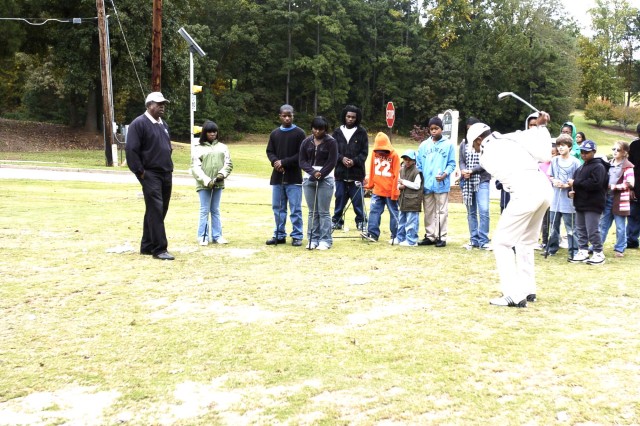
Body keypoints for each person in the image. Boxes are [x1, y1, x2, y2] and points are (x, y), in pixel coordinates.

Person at [466, 112, 552, 307]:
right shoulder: (510, 137)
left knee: (501, 243)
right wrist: (542, 127)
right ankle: (528, 289)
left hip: (525, 192)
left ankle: (514, 294)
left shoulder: (486, 155)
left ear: (480, 139)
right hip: (544, 188)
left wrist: (537, 128)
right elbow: (545, 154)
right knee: (525, 243)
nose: (475, 149)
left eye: (475, 144)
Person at [125, 92, 175, 260]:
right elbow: (131, 150)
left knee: (160, 210)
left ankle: (147, 245)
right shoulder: (138, 124)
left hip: (166, 172)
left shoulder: (163, 124)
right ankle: (159, 249)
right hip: (150, 173)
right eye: (158, 103)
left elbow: (166, 147)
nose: (162, 106)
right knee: (155, 209)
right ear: (149, 105)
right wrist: (140, 172)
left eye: (163, 103)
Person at [265, 104, 306, 247]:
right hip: (277, 177)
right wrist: (275, 162)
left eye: (290, 115)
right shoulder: (275, 133)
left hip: (293, 177)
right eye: (284, 115)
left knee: (295, 209)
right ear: (280, 116)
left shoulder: (300, 133)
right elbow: (270, 151)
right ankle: (279, 234)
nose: (287, 118)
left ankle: (297, 235)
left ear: (293, 116)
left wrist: (284, 162)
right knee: (278, 208)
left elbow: (301, 154)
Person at [190, 120, 233, 246]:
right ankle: (203, 236)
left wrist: (222, 175)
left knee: (215, 209)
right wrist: (207, 180)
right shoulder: (198, 148)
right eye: (209, 132)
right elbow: (195, 167)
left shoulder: (223, 147)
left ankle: (217, 235)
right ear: (205, 133)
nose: (212, 134)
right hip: (204, 184)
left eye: (214, 131)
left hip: (218, 183)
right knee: (204, 209)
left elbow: (228, 164)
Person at [416, 116, 457, 247]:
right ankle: (430, 236)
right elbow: (419, 164)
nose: (433, 131)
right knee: (428, 211)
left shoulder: (448, 144)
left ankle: (441, 236)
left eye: (436, 128)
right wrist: (421, 177)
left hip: (441, 183)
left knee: (441, 211)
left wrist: (445, 174)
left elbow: (451, 163)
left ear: (441, 129)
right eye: (431, 129)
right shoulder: (424, 145)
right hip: (427, 184)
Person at [299, 116, 338, 250]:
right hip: (309, 177)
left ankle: (325, 240)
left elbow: (332, 161)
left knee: (323, 211)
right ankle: (312, 239)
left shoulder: (331, 142)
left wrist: (321, 174)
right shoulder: (306, 142)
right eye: (315, 129)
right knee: (312, 211)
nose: (317, 132)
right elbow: (302, 161)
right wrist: (312, 172)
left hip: (326, 178)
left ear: (325, 130)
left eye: (320, 129)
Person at [568, 140, 609, 265]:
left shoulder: (599, 166)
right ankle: (583, 251)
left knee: (592, 229)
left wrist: (575, 183)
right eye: (582, 151)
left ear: (594, 152)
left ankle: (598, 253)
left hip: (593, 203)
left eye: (587, 152)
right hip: (580, 202)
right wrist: (571, 192)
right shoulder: (581, 167)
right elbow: (576, 185)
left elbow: (595, 184)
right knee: (580, 229)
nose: (584, 154)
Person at [331, 105, 369, 232]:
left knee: (357, 200)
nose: (350, 119)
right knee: (340, 197)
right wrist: (341, 158)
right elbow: (332, 151)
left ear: (357, 118)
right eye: (348, 116)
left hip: (356, 173)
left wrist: (354, 161)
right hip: (340, 173)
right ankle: (337, 221)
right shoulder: (337, 132)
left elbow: (364, 153)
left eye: (353, 117)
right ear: (344, 117)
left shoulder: (361, 132)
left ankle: (361, 222)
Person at [545, 134, 581, 258]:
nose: (560, 148)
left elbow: (579, 180)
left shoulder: (575, 162)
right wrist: (554, 181)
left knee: (571, 227)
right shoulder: (554, 160)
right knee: (553, 226)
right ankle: (552, 248)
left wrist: (568, 185)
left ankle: (574, 250)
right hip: (555, 198)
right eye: (558, 145)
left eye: (563, 146)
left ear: (570, 147)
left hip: (568, 200)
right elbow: (550, 176)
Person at [361, 132, 401, 243]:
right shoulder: (374, 154)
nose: (381, 153)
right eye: (378, 150)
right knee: (374, 211)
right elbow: (372, 169)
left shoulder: (394, 155)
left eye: (383, 150)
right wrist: (369, 185)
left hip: (390, 190)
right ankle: (372, 234)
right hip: (377, 190)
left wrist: (395, 192)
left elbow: (396, 174)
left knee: (394, 213)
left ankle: (396, 235)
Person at [459, 116, 491, 250]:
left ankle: (483, 240)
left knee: (483, 209)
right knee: (471, 212)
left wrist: (472, 171)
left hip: (482, 179)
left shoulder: (486, 144)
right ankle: (474, 240)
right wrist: (463, 171)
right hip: (467, 181)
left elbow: (486, 163)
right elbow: (461, 160)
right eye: (468, 129)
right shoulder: (463, 144)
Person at [599, 141, 635, 257]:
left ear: (624, 152)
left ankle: (619, 248)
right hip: (607, 198)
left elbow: (630, 183)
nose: (614, 152)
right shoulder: (609, 164)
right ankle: (597, 246)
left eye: (618, 150)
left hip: (620, 200)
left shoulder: (628, 166)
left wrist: (614, 187)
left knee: (620, 226)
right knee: (603, 224)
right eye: (613, 149)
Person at [396, 150, 423, 246]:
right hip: (402, 200)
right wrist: (399, 186)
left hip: (413, 201)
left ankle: (411, 241)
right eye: (405, 159)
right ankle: (400, 238)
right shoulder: (401, 170)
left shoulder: (417, 171)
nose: (407, 161)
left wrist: (404, 182)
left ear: (414, 160)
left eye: (409, 159)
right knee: (401, 221)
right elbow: (398, 184)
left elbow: (417, 186)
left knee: (411, 222)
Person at [626, 123, 640, 248]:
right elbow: (631, 168)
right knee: (634, 214)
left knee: (634, 214)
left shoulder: (634, 145)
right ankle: (631, 240)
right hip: (636, 187)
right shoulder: (635, 146)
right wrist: (631, 188)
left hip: (636, 187)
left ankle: (631, 239)